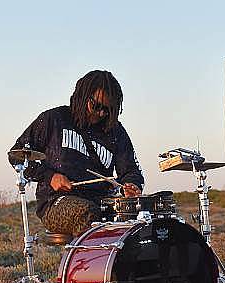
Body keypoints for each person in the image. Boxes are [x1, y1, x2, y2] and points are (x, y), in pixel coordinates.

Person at [9, 70, 144, 236]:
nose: (100, 113)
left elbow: (131, 170)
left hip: (104, 202)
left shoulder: (116, 131)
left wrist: (132, 185)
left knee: (146, 218)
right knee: (87, 213)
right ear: (82, 96)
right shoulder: (54, 119)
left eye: (107, 110)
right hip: (56, 202)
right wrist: (50, 176)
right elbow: (17, 155)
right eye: (96, 106)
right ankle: (89, 262)